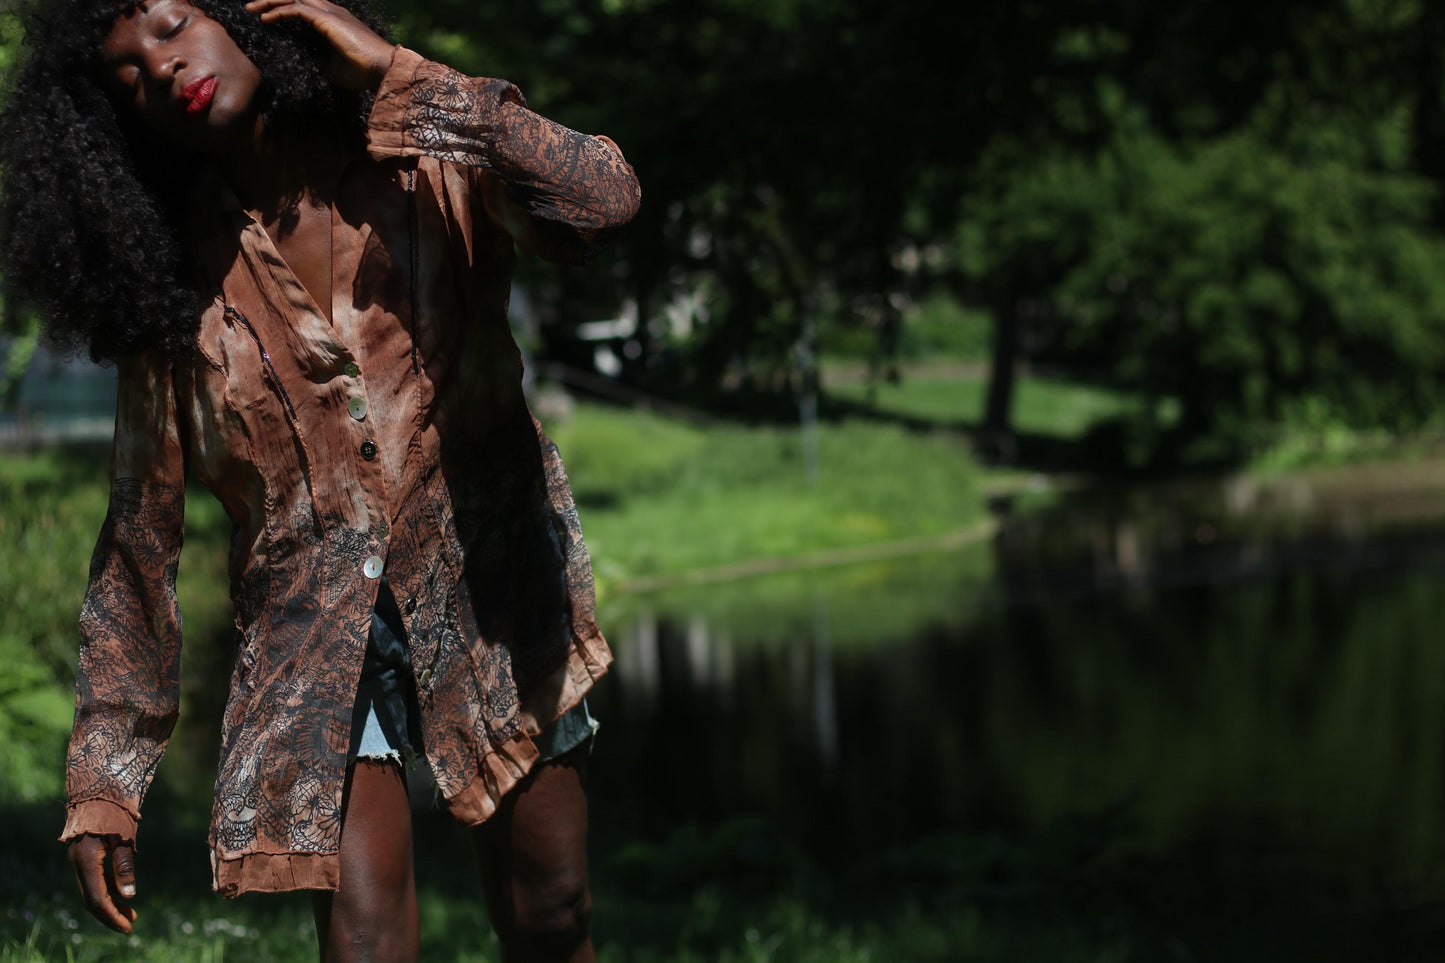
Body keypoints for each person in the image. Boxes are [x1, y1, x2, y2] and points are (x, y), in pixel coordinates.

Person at [0, 0, 639, 959]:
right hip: (312, 643)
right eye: (126, 72)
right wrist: (105, 782)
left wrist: (396, 73)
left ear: (240, 12)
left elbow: (600, 202)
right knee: (365, 947)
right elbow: (140, 536)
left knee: (551, 914)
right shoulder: (168, 284)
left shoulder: (420, 156)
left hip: (498, 594)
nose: (163, 70)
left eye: (172, 24)